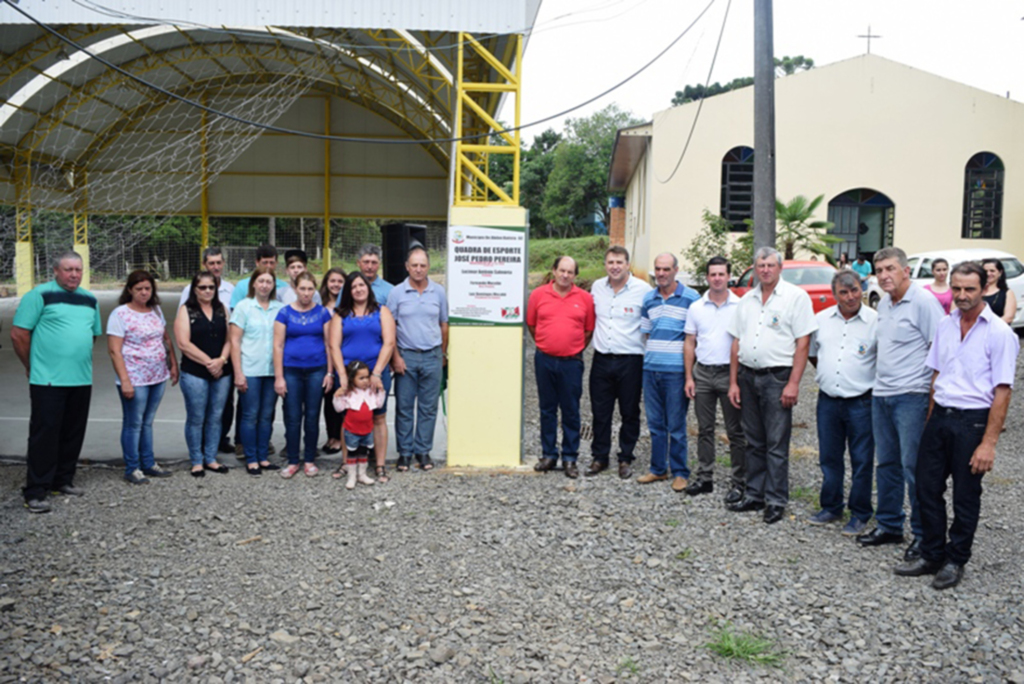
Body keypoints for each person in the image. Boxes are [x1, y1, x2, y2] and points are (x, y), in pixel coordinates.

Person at [894, 261, 1018, 590]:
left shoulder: (1000, 333)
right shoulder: (945, 325)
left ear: (983, 289)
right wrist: (930, 419)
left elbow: (1002, 391)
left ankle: (955, 559)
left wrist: (988, 443)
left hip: (973, 421)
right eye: (957, 288)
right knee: (926, 488)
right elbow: (936, 375)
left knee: (966, 495)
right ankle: (932, 553)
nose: (962, 295)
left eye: (970, 289)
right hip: (940, 418)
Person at [856, 247, 944, 560]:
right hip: (882, 394)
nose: (883, 276)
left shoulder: (923, 302)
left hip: (912, 396)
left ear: (906, 270)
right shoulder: (886, 304)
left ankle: (924, 535)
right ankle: (890, 525)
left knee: (914, 468)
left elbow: (941, 353)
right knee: (887, 464)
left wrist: (932, 403)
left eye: (890, 269)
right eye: (879, 271)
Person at [727, 247, 817, 524]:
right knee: (754, 440)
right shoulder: (747, 300)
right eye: (760, 265)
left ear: (780, 268)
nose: (765, 269)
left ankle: (776, 500)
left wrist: (794, 383)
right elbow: (736, 342)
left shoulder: (795, 297)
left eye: (770, 265)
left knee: (776, 443)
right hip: (748, 376)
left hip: (777, 378)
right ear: (755, 268)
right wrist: (733, 382)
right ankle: (755, 495)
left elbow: (803, 343)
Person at [11, 251, 102, 513]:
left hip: (81, 379)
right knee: (45, 435)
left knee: (73, 432)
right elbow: (19, 334)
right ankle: (36, 490)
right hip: (47, 381)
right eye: (68, 269)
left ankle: (62, 480)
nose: (74, 274)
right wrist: (32, 365)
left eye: (78, 270)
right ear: (55, 271)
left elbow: (92, 335)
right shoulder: (39, 295)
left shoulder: (89, 300)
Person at [806, 270, 877, 535]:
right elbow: (814, 355)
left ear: (863, 288)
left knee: (861, 459)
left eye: (855, 290)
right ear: (834, 294)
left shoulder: (875, 322)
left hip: (862, 402)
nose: (850, 297)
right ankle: (831, 507)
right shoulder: (821, 320)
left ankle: (859, 513)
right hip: (828, 402)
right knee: (829, 457)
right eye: (844, 292)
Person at [683, 256, 746, 502]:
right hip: (704, 375)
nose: (717, 278)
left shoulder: (740, 306)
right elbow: (690, 342)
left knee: (736, 431)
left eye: (721, 274)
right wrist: (689, 377)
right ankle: (705, 477)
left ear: (729, 276)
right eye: (713, 274)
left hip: (730, 375)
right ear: (707, 277)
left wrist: (735, 381)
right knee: (705, 429)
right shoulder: (696, 307)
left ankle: (739, 482)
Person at [107, 270, 178, 484]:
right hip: (134, 378)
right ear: (130, 290)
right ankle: (132, 467)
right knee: (133, 423)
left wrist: (173, 364)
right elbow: (114, 350)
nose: (144, 293)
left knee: (147, 422)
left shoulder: (155, 310)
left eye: (147, 289)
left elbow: (165, 339)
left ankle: (148, 462)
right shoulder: (120, 314)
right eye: (139, 289)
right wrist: (125, 380)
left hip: (157, 375)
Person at [527, 255, 595, 479]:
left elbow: (588, 331)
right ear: (554, 271)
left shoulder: (584, 298)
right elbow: (532, 324)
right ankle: (548, 454)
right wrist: (548, 343)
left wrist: (572, 347)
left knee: (571, 411)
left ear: (575, 275)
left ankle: (569, 457)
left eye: (570, 272)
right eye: (561, 270)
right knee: (547, 409)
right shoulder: (538, 295)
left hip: (571, 362)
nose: (565, 275)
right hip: (544, 359)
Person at [586, 246, 651, 479]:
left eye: (619, 262)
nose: (615, 266)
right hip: (602, 358)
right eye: (610, 262)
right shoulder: (596, 288)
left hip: (631, 360)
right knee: (600, 411)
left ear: (627, 264)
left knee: (629, 411)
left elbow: (651, 322)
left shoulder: (643, 290)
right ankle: (599, 457)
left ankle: (625, 457)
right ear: (605, 264)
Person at [638, 253, 699, 491]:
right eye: (657, 269)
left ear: (676, 270)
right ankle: (658, 469)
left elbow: (694, 337)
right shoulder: (649, 299)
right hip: (651, 369)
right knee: (655, 423)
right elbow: (647, 333)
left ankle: (680, 472)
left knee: (676, 425)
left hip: (676, 372)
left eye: (666, 269)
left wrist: (688, 375)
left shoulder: (691, 298)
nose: (661, 274)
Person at [330, 272, 397, 482]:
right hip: (349, 376)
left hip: (376, 373)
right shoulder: (340, 315)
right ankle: (346, 462)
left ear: (368, 288)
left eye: (362, 285)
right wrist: (342, 375)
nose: (359, 289)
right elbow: (334, 345)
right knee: (348, 419)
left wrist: (377, 372)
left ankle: (379, 465)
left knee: (378, 417)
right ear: (348, 291)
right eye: (354, 286)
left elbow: (389, 343)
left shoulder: (382, 311)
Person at [387, 247, 449, 472]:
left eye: (422, 265)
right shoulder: (397, 293)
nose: (419, 269)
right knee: (404, 407)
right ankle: (404, 453)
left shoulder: (438, 292)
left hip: (433, 355)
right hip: (406, 357)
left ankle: (423, 451)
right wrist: (395, 357)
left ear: (428, 267)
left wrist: (442, 353)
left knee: (428, 408)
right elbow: (390, 326)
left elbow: (444, 324)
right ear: (407, 267)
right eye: (414, 265)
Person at [178, 247, 238, 457]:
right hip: (195, 371)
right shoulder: (186, 309)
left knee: (216, 416)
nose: (207, 291)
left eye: (211, 287)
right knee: (197, 417)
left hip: (222, 370)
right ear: (195, 289)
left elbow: (231, 337)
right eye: (202, 287)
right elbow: (183, 342)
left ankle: (211, 457)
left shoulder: (223, 307)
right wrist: (209, 362)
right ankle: (196, 458)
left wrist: (221, 360)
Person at [273, 271, 333, 478]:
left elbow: (329, 345)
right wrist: (279, 377)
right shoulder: (284, 313)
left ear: (314, 290)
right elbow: (278, 345)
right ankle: (292, 460)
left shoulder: (323, 313)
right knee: (292, 416)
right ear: (295, 289)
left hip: (317, 370)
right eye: (302, 288)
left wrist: (330, 373)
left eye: (310, 289)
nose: (306, 293)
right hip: (291, 371)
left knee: (313, 416)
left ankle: (309, 459)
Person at [230, 265, 284, 475]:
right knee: (250, 415)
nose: (264, 285)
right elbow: (234, 341)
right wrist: (238, 373)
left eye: (268, 282)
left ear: (273, 285)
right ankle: (251, 458)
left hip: (272, 371)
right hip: (250, 369)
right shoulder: (244, 307)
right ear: (253, 283)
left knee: (266, 415)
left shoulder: (279, 309)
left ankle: (263, 456)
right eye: (261, 281)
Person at [333, 360, 386, 489]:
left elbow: (379, 404)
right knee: (352, 453)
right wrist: (337, 396)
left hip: (367, 430)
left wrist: (381, 390)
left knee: (363, 453)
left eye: (367, 377)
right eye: (361, 378)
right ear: (352, 379)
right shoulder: (349, 393)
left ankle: (362, 474)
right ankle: (352, 476)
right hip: (351, 430)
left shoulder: (371, 392)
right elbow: (339, 408)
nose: (365, 381)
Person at [319, 267, 347, 454]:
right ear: (326, 283)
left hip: (343, 357)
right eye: (332, 281)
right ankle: (332, 436)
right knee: (328, 399)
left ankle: (341, 437)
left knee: (342, 398)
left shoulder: (348, 306)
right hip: (322, 358)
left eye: (340, 281)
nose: (336, 285)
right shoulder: (319, 305)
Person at [229, 244, 290, 309]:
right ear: (257, 262)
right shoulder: (242, 286)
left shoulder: (284, 287)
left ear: (276, 263)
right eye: (265, 262)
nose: (268, 266)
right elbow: (235, 310)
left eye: (271, 263)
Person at [981, 258, 1017, 326]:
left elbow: (1008, 317)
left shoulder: (1007, 293)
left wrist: (988, 327)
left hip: (999, 332)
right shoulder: (976, 292)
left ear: (1000, 273)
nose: (988, 274)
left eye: (992, 271)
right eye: (985, 271)